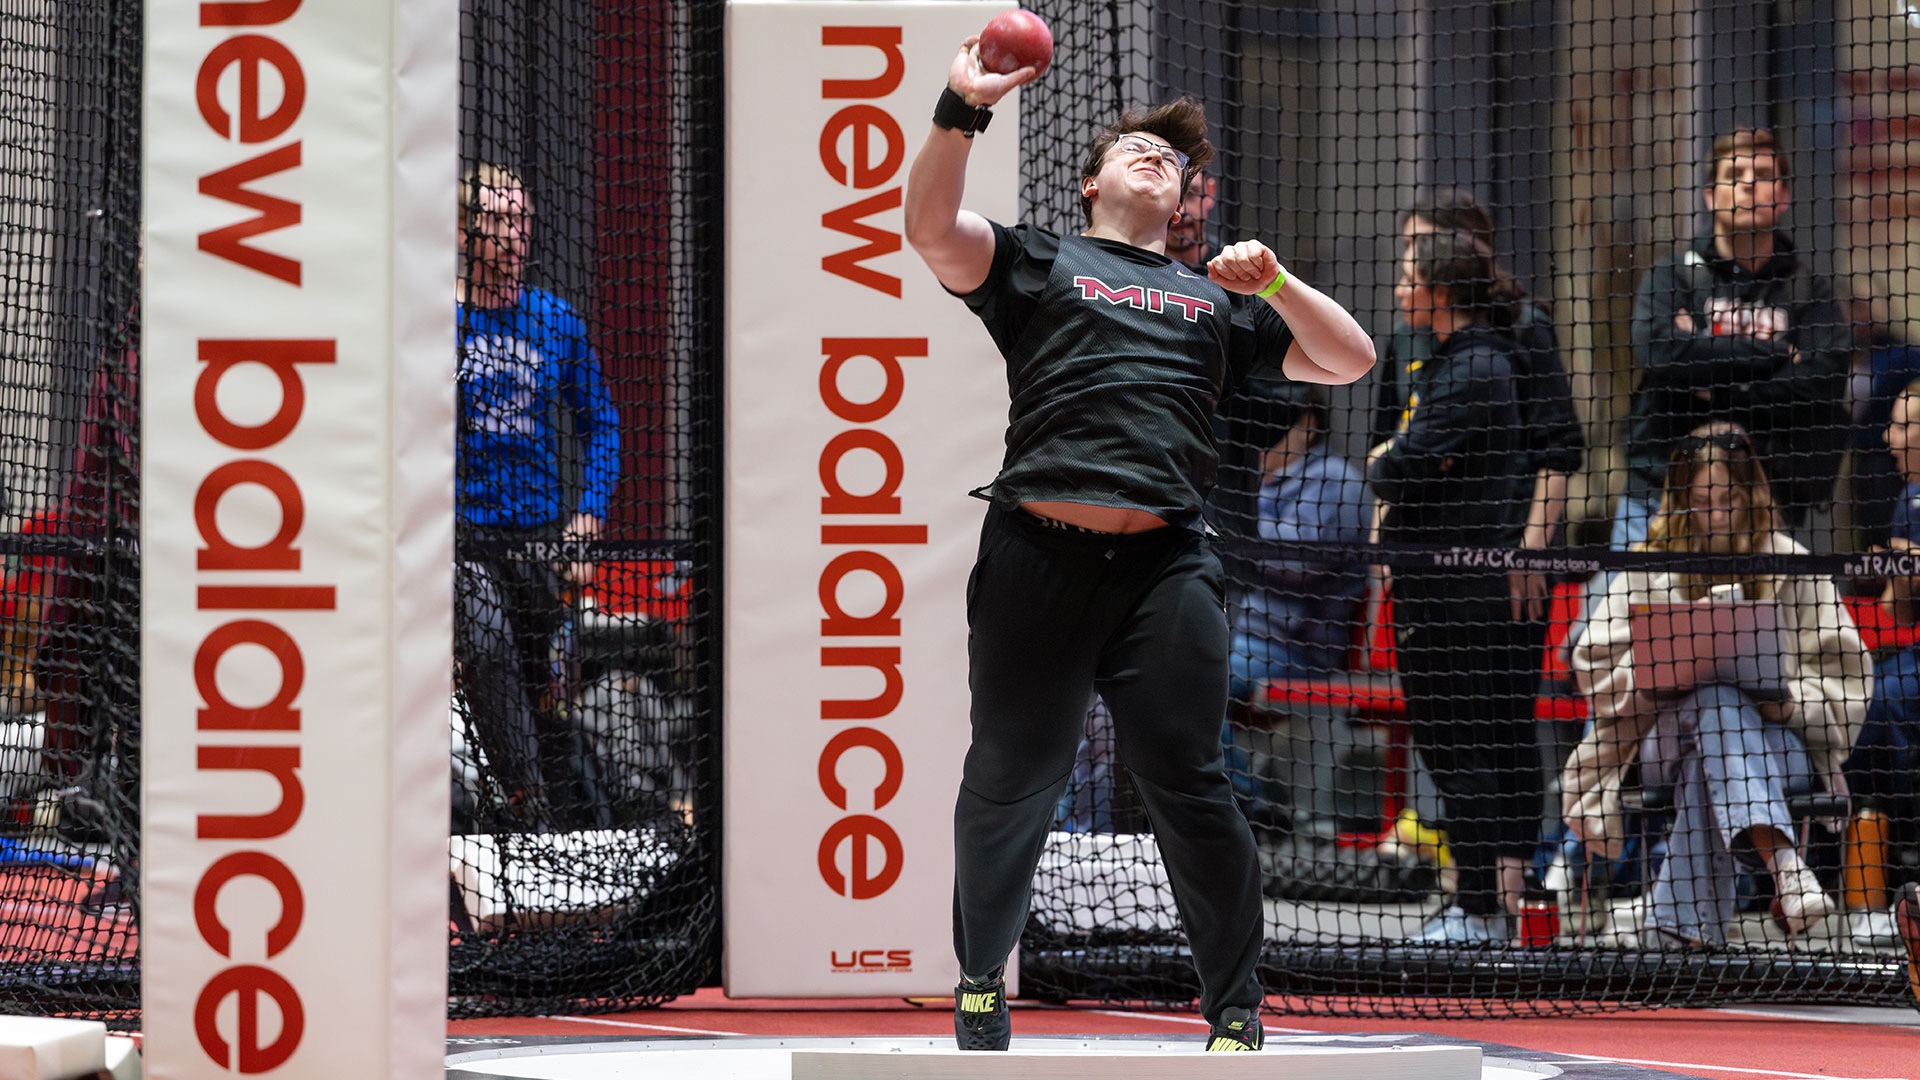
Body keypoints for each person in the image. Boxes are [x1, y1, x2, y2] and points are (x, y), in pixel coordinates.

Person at [903, 38, 1374, 1052]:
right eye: (1136, 151)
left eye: (1176, 162)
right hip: (1037, 555)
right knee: (1011, 778)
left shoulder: (1215, 300)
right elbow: (930, 227)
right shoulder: (1039, 262)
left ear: (1186, 204)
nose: (1160, 161)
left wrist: (1279, 282)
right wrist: (960, 104)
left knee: (1190, 780)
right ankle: (982, 974)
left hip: (1164, 567)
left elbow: (1351, 358)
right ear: (1091, 184)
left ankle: (1237, 1014)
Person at [1566, 422, 1867, 947]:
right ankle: (1785, 865)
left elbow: (1849, 677)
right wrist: (1659, 675)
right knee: (1711, 700)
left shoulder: (1792, 564)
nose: (1717, 512)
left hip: (1780, 742)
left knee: (1716, 715)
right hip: (1660, 737)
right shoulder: (1646, 564)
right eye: (1702, 499)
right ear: (1681, 499)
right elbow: (1590, 661)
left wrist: (1790, 706)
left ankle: (1676, 928)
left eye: (1728, 497)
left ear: (1751, 494)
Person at [1368, 228, 1542, 943]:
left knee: (1463, 750)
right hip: (1438, 587)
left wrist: (1389, 460)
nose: (1400, 288)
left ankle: (1478, 912)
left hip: (1457, 595)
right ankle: (1480, 908)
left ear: (1441, 293)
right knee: (1457, 751)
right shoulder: (1450, 362)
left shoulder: (1476, 368)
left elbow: (1394, 466)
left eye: (1410, 277)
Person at [455, 163, 621, 831]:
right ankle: (529, 820)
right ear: (465, 231)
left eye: (522, 220)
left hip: (542, 539)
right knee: (490, 645)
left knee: (549, 687)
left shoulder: (555, 321)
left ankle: (566, 816)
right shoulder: (434, 320)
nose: (514, 236)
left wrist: (587, 520)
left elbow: (601, 423)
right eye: (497, 221)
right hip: (464, 541)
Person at [1619, 128, 1850, 549]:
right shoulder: (1673, 276)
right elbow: (1661, 353)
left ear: (1783, 195)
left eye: (1762, 174)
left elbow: (1823, 382)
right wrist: (1776, 353)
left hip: (1764, 504)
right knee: (1612, 613)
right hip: (1658, 496)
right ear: (1710, 196)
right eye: (1735, 173)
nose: (1747, 183)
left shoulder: (1808, 291)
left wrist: (1714, 385)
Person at [1374, 188, 1584, 621]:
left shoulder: (1524, 328)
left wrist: (1530, 551)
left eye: (1424, 244)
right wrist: (1383, 544)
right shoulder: (1404, 335)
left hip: (1504, 551)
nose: (1414, 259)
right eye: (1409, 246)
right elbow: (1389, 439)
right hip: (1422, 555)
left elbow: (1558, 449)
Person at [1214, 383, 1370, 824]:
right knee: (1158, 671)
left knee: (1197, 684)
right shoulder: (1254, 474)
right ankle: (1247, 799)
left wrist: (1231, 526)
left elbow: (1298, 561)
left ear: (1308, 424)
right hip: (1241, 630)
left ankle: (1252, 807)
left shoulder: (1335, 479)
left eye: (1279, 422)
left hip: (1297, 646)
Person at [1165, 171, 1219, 271]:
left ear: (1209, 193)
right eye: (1167, 197)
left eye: (1191, 193)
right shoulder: (1135, 270)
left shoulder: (1235, 271)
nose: (1181, 211)